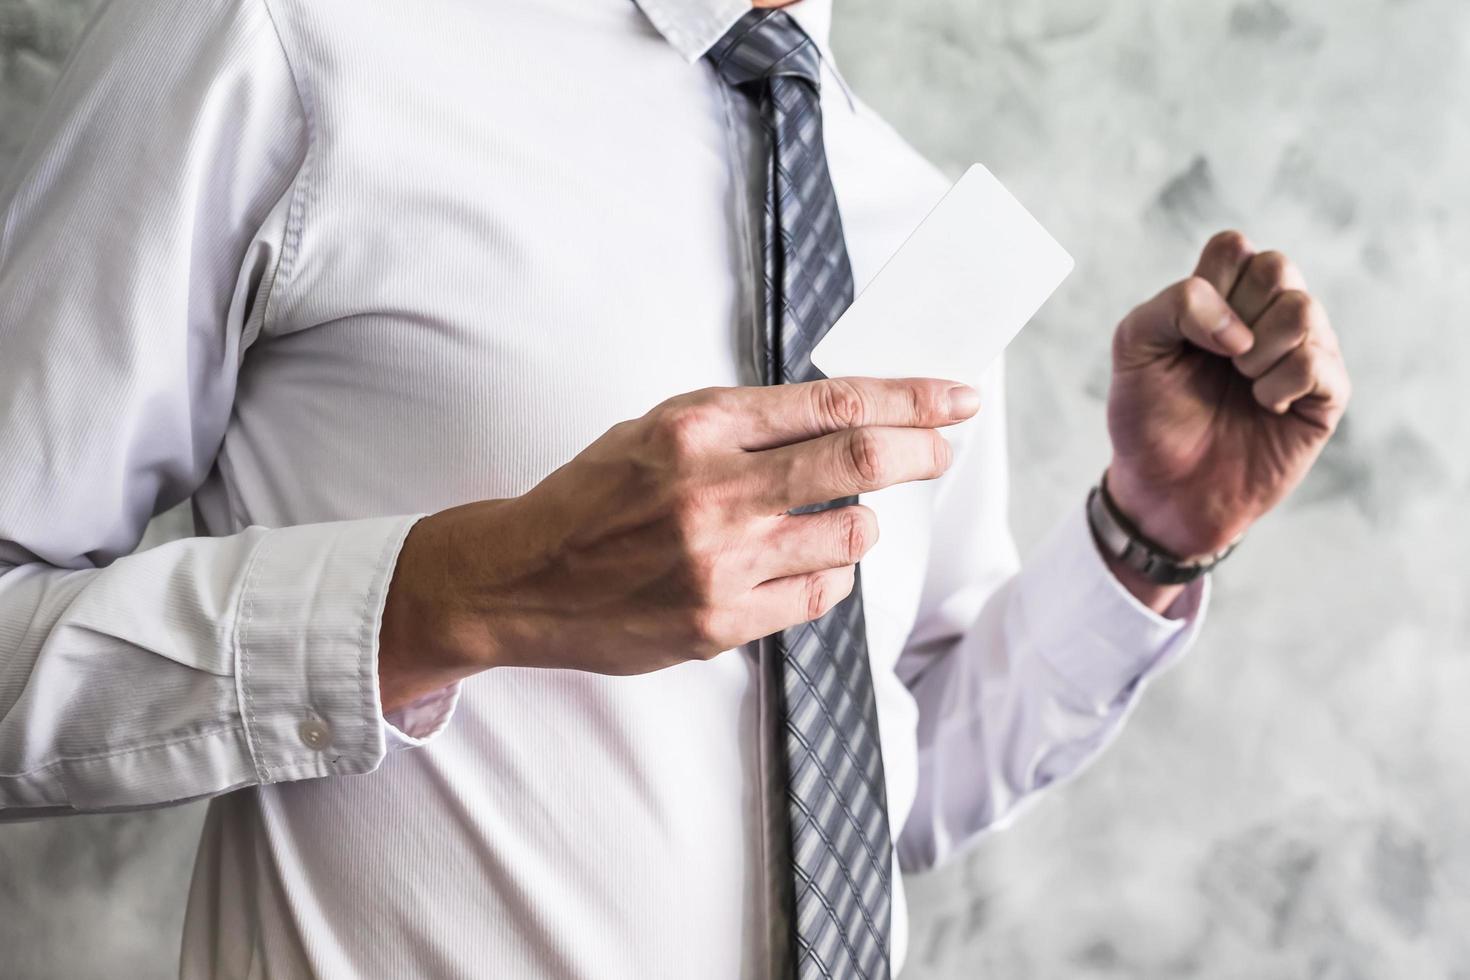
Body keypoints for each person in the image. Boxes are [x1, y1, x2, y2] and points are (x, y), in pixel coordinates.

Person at [0, 0, 1350, 976]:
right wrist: (458, 595)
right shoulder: (285, 40)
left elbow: (882, 794)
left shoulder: (904, 210)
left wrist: (1147, 540)